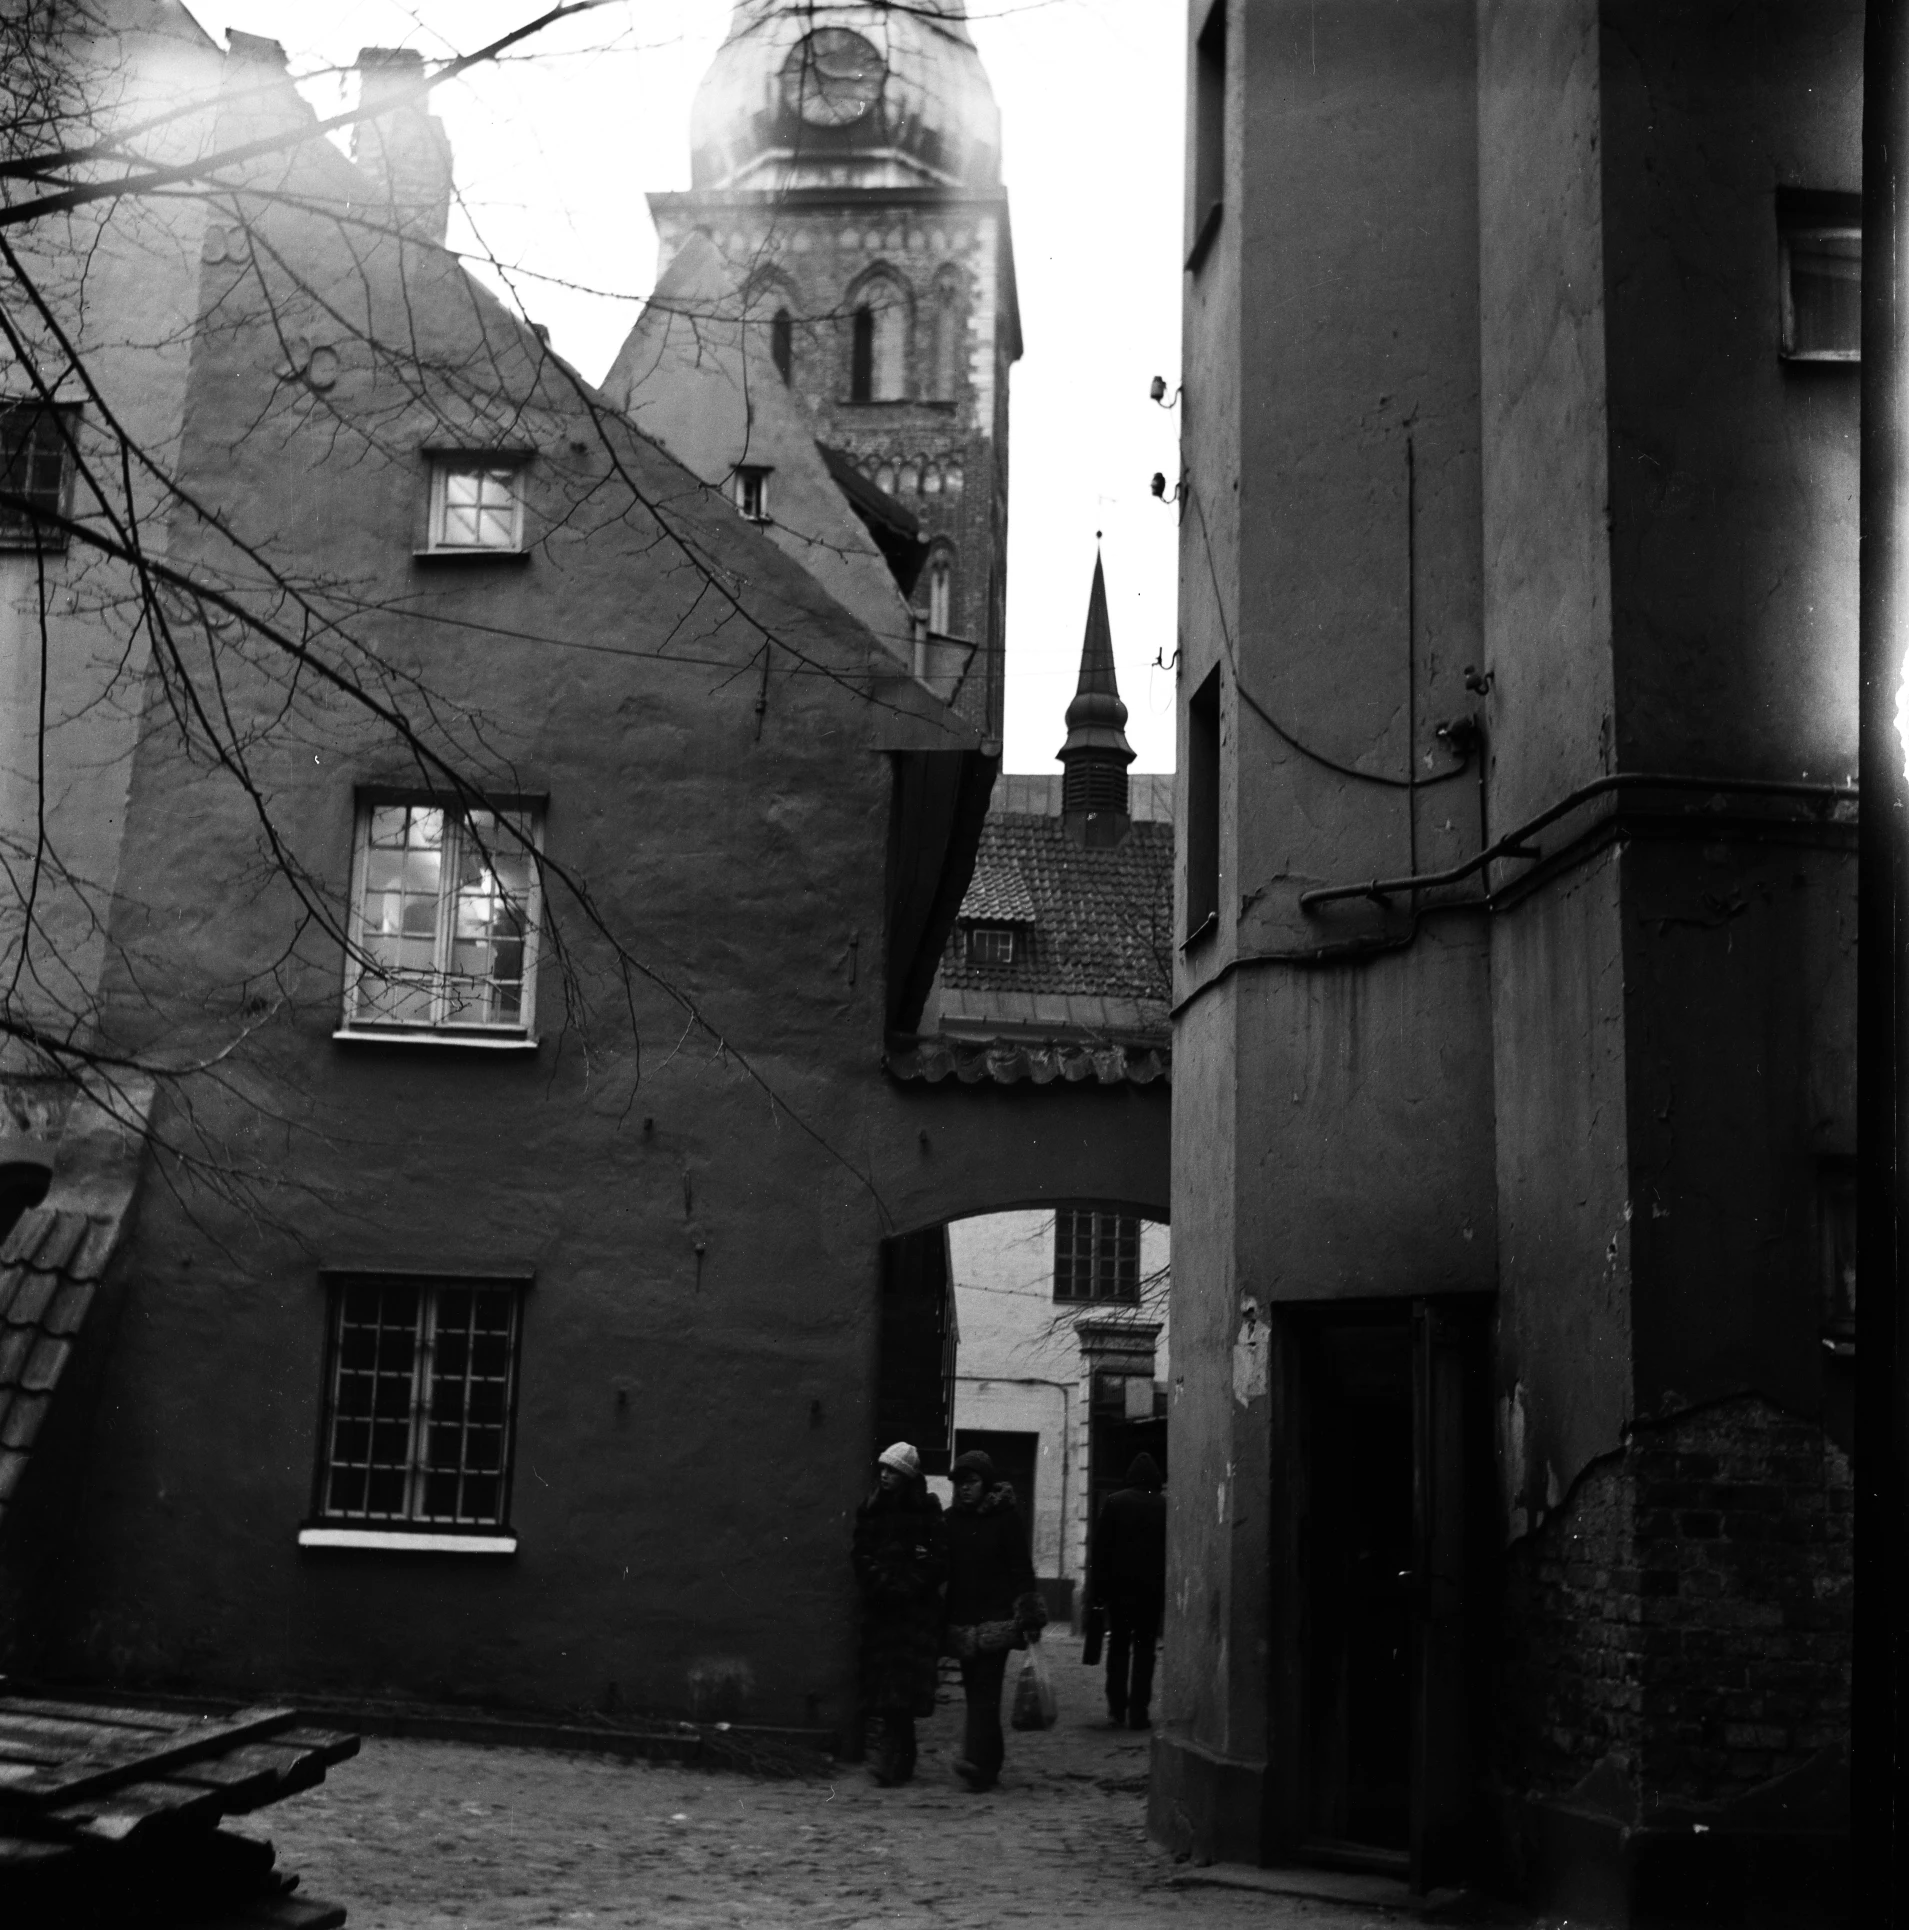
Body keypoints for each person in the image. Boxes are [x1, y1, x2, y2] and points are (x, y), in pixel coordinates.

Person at [941, 1447, 1046, 1792]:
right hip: (962, 1622)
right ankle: (991, 1761)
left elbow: (1021, 1570)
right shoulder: (950, 1520)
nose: (964, 1488)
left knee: (985, 1691)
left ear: (986, 1484)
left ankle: (978, 1763)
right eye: (959, 1483)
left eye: (970, 1482)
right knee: (976, 1693)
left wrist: (1028, 1615)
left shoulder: (1006, 1519)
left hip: (997, 1622)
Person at [851, 1441, 947, 1786]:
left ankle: (897, 1762)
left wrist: (909, 1583)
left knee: (903, 1694)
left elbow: (934, 1557)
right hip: (881, 1611)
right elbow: (860, 1552)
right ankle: (891, 1760)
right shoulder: (872, 1507)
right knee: (884, 1692)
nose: (884, 1474)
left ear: (906, 1475)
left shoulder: (925, 1509)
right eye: (883, 1468)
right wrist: (880, 1581)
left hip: (913, 1615)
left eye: (892, 1470)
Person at [1092, 1452, 1166, 1730]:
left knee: (1119, 1647)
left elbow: (1100, 1552)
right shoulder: (1164, 1506)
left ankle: (1116, 1709)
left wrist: (1098, 1594)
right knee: (1145, 1650)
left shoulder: (1114, 1502)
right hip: (1151, 1592)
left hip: (1119, 1592)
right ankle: (1139, 1712)